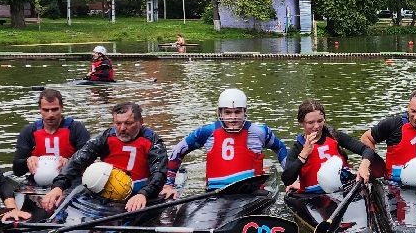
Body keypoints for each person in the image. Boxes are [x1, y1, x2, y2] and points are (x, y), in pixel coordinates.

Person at [161, 87, 289, 197]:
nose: (233, 117)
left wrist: (292, 179)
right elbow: (178, 151)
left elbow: (280, 147)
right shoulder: (206, 132)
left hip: (252, 193)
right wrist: (168, 185)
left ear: (245, 112)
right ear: (220, 112)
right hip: (216, 192)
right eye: (227, 112)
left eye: (237, 112)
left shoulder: (260, 132)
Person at [42, 102, 168, 213]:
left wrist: (144, 194)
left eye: (128, 123)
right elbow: (79, 159)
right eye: (118, 123)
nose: (122, 128)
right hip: (105, 191)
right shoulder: (105, 137)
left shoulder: (152, 141)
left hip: (137, 192)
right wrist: (59, 186)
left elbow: (159, 173)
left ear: (141, 122)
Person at [282, 98, 378, 193]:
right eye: (311, 122)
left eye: (320, 121)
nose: (316, 126)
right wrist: (303, 155)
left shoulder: (335, 137)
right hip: (313, 197)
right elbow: (287, 180)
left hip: (343, 190)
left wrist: (364, 165)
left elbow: (367, 150)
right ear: (302, 123)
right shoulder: (298, 147)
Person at [11, 89, 91, 182]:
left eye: (54, 109)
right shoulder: (29, 131)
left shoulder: (77, 129)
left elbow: (88, 161)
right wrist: (27, 161)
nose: (50, 114)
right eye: (46, 110)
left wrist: (70, 162)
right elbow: (17, 170)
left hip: (70, 181)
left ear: (61, 107)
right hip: (37, 183)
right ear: (40, 109)